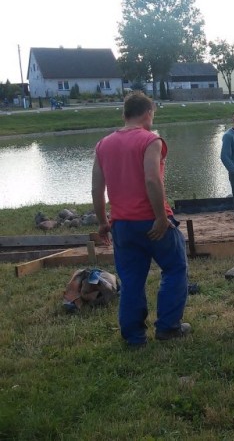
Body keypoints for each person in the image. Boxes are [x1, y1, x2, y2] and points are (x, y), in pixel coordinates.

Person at [91, 91, 190, 347]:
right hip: (151, 221)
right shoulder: (150, 140)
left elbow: (97, 188)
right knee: (175, 268)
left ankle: (134, 337)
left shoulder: (103, 145)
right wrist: (160, 217)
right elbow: (152, 180)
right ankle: (168, 327)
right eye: (152, 113)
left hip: (122, 225)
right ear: (148, 112)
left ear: (125, 114)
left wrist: (103, 222)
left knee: (132, 280)